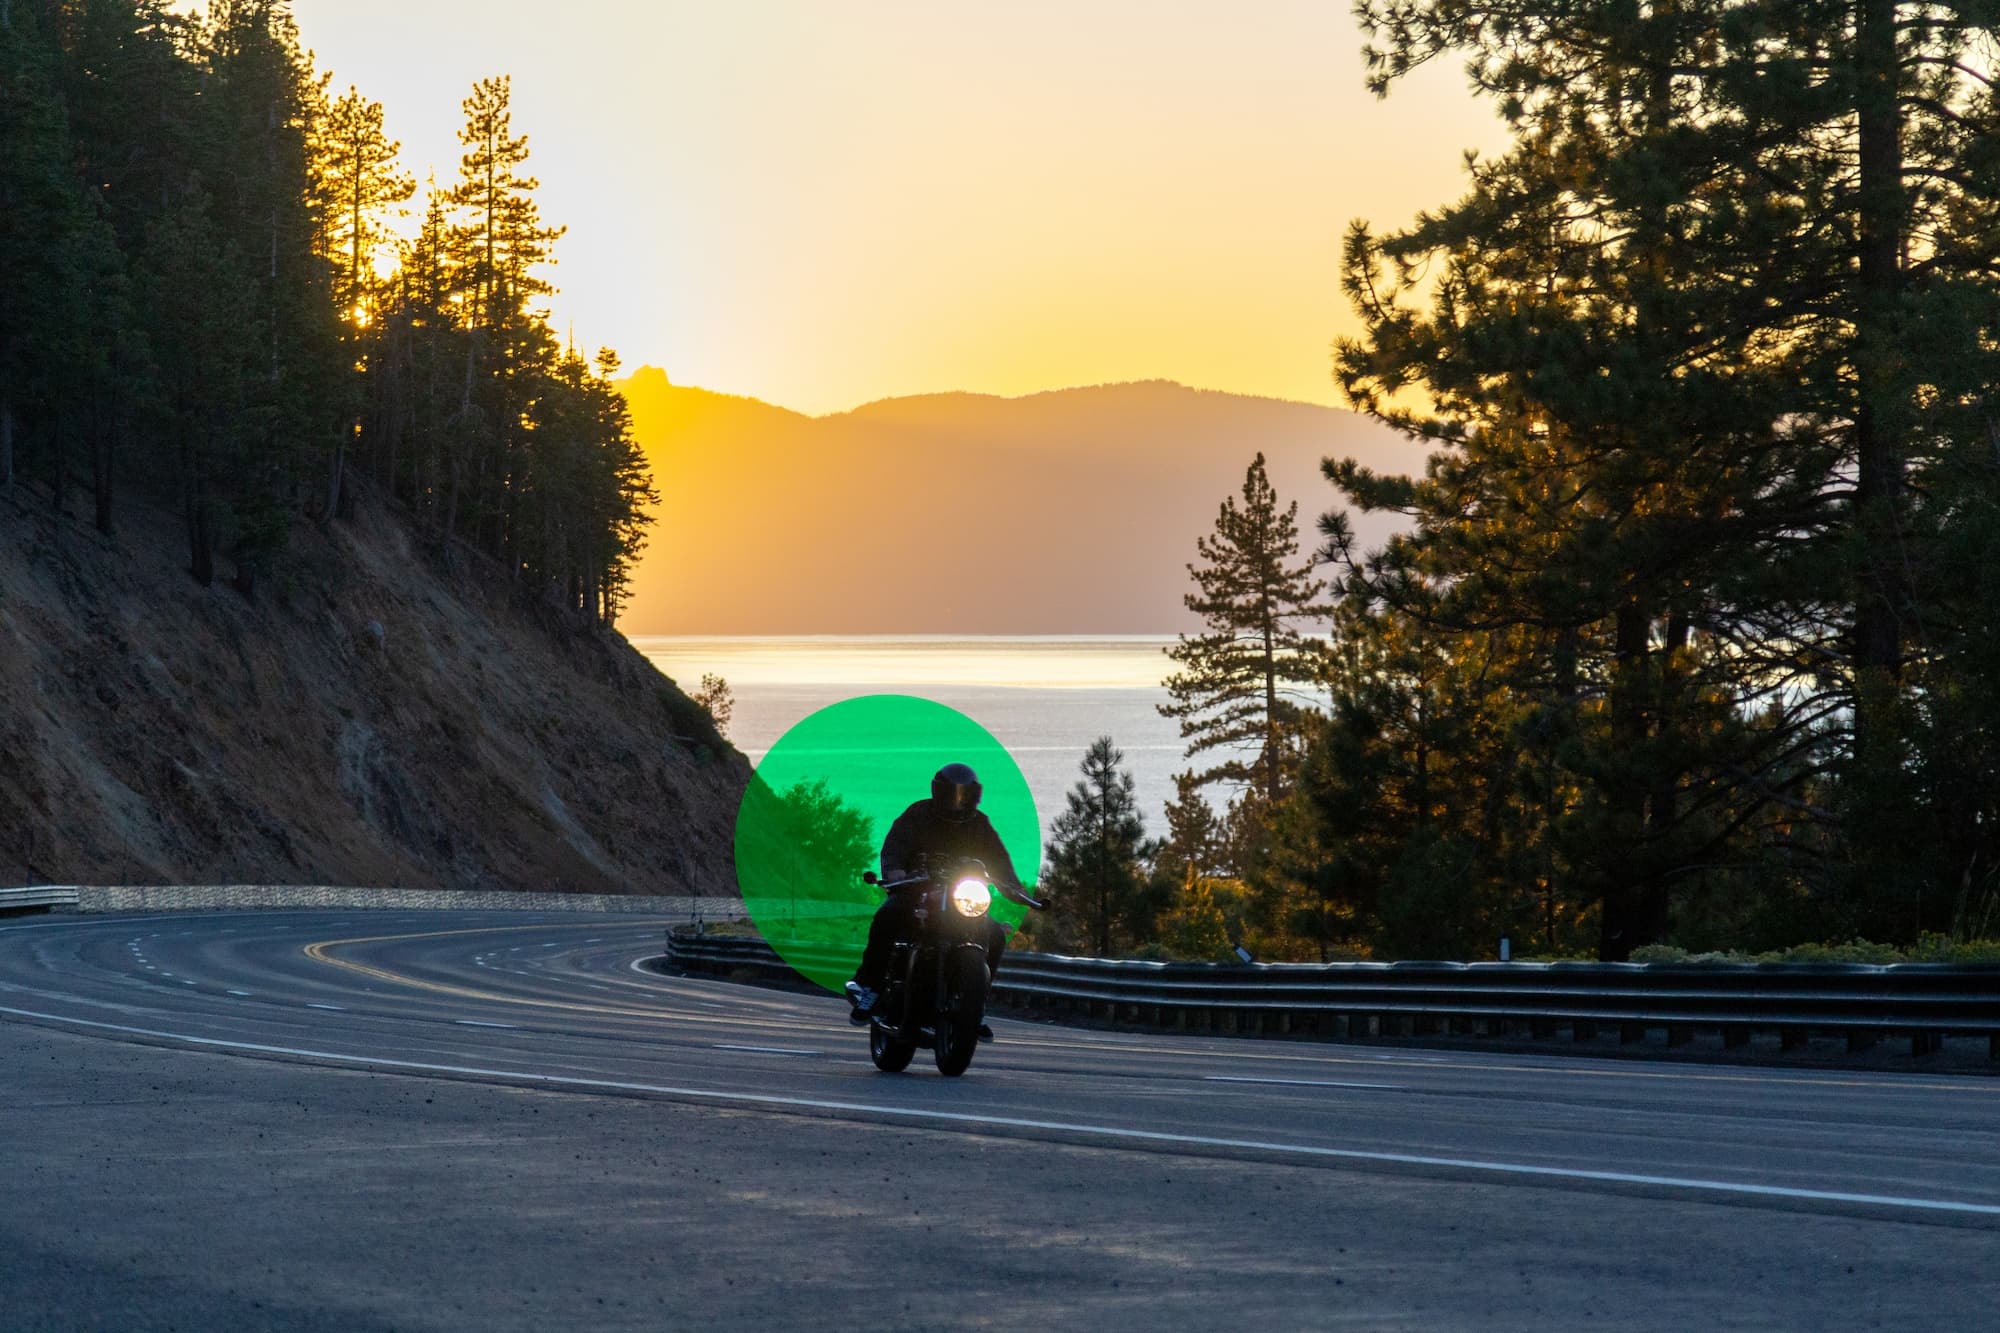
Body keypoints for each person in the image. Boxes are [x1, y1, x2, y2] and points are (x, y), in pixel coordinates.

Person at [844, 762, 1042, 1036]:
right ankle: (870, 987)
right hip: (918, 891)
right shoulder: (918, 814)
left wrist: (1016, 890)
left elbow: (998, 860)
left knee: (995, 934)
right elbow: (895, 846)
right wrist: (895, 873)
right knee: (888, 915)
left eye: (963, 795)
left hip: (962, 896)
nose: (957, 802)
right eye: (952, 795)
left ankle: (976, 1005)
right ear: (939, 792)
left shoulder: (979, 824)